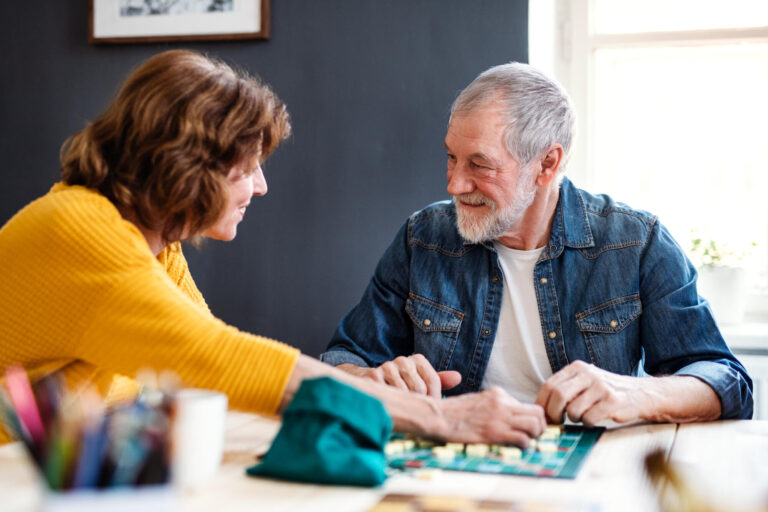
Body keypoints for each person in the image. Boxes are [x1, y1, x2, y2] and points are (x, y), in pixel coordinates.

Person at [0, 50, 546, 446]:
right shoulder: (77, 230)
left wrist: (364, 391)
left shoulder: (152, 243)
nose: (260, 186)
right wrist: (441, 418)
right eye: (247, 167)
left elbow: (212, 372)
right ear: (187, 167)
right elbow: (220, 361)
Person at [321, 62, 753, 425]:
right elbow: (342, 359)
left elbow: (727, 382)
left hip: (592, 472)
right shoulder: (423, 238)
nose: (454, 184)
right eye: (452, 157)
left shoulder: (636, 242)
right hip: (454, 464)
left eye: (479, 165)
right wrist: (373, 379)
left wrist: (635, 393)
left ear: (547, 163)